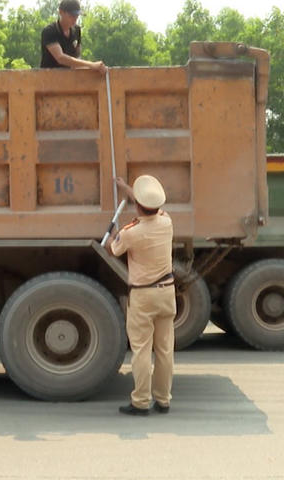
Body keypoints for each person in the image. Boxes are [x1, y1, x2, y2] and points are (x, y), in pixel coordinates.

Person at [107, 174, 175, 416]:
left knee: (142, 350)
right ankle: (163, 400)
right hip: (167, 293)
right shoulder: (167, 222)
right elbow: (153, 207)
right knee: (165, 350)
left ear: (137, 205)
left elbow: (112, 249)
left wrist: (114, 232)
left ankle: (141, 401)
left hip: (143, 296)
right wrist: (130, 190)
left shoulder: (130, 233)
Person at [40, 0, 108, 73]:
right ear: (61, 12)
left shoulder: (77, 30)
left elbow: (77, 57)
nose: (75, 19)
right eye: (71, 16)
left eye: (76, 16)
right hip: (48, 78)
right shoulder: (50, 31)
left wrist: (95, 68)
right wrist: (91, 65)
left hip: (70, 78)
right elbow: (60, 58)